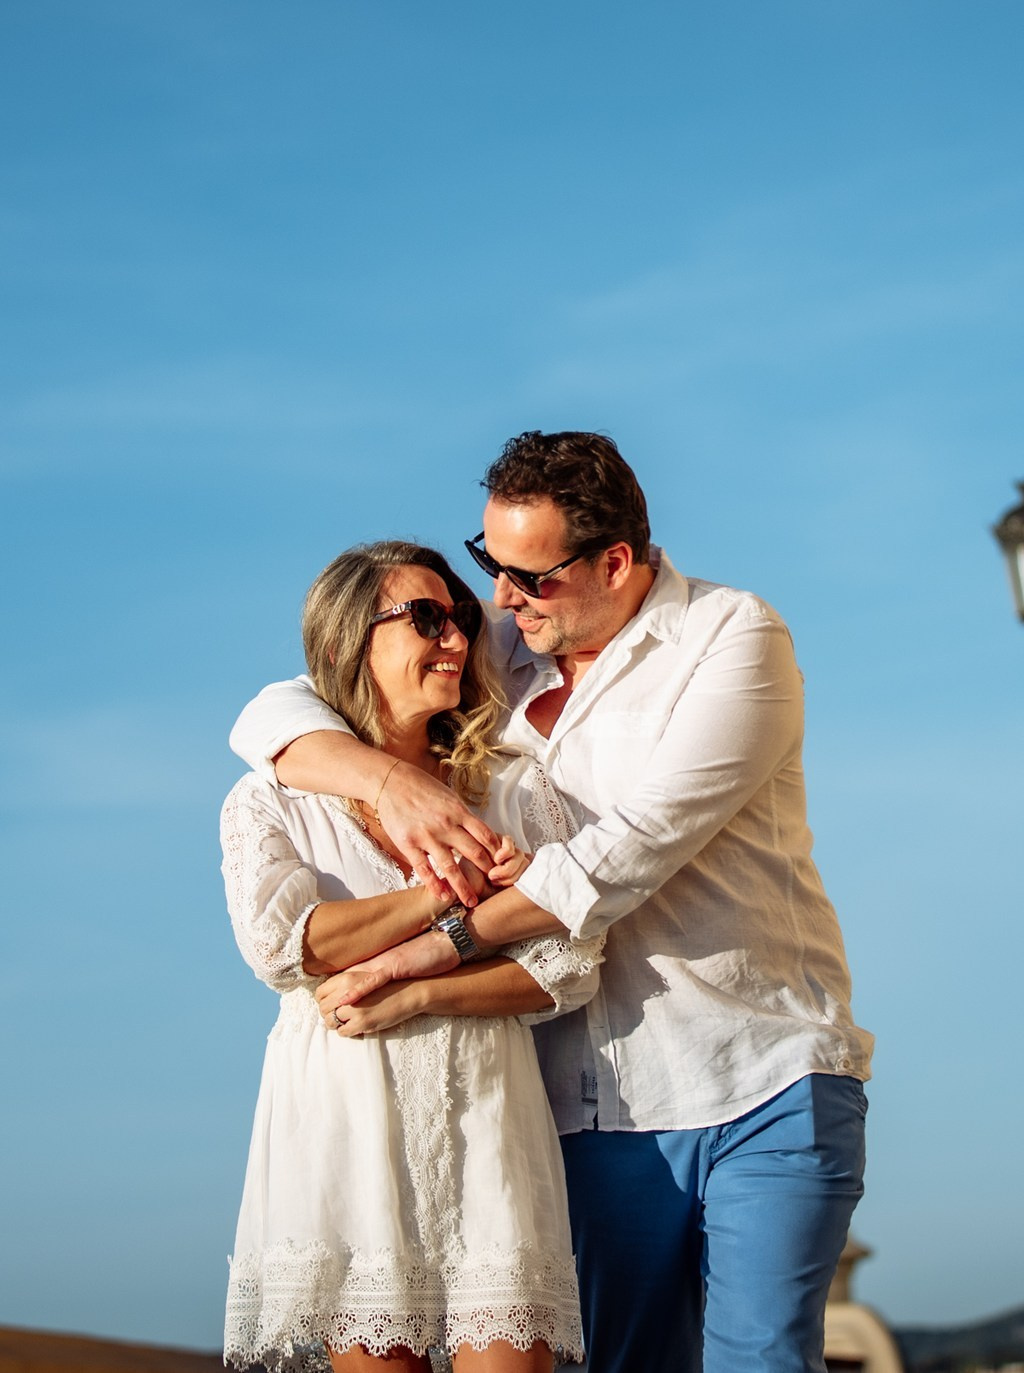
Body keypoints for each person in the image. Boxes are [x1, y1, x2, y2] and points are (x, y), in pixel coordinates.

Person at [230, 431, 875, 1373]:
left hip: (761, 1071)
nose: (497, 599)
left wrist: (430, 951)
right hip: (590, 1110)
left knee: (765, 1358)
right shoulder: (508, 644)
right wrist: (386, 781)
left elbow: (612, 861)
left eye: (526, 576)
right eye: (488, 566)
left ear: (615, 562)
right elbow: (277, 709)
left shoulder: (733, 639)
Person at [219, 540, 603, 1373]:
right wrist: (441, 892)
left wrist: (424, 992)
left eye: (461, 616)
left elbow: (569, 963)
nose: (459, 639)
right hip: (344, 1122)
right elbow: (287, 945)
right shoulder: (271, 795)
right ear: (345, 643)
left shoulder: (511, 788)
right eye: (427, 618)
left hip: (490, 1117)